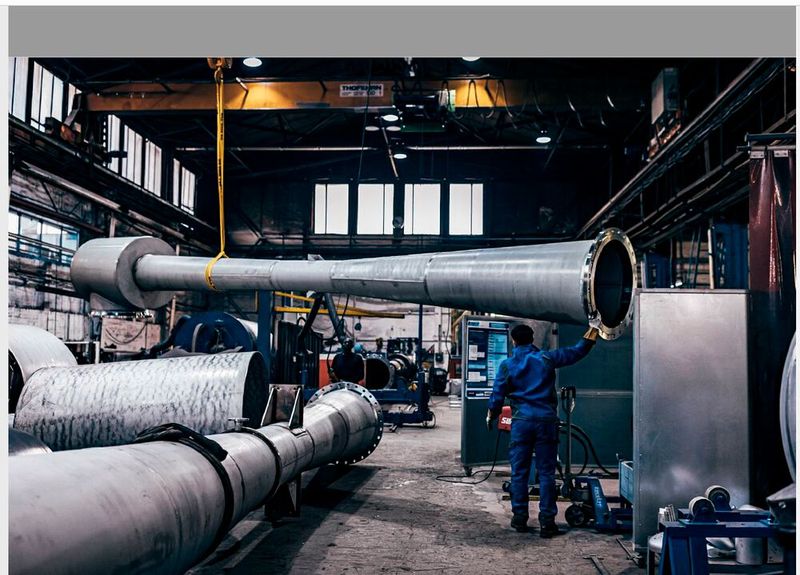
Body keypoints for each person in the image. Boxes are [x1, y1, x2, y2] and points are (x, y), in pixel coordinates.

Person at [486, 319, 601, 537]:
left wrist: (492, 414)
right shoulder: (546, 358)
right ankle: (547, 522)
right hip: (546, 422)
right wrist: (593, 330)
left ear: (513, 341)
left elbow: (497, 397)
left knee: (519, 472)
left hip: (522, 422)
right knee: (547, 472)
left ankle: (520, 518)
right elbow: (576, 352)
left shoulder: (507, 365)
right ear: (532, 339)